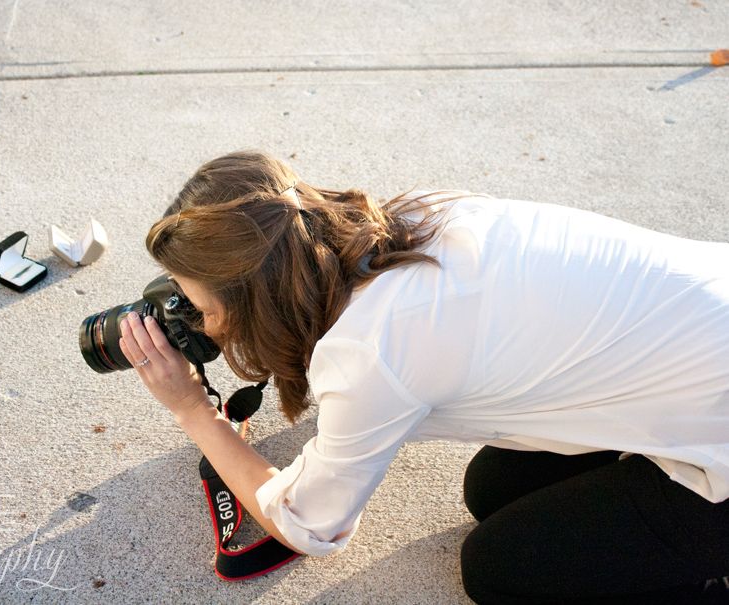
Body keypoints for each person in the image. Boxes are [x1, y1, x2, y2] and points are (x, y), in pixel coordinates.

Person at [118, 151, 729, 603]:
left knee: (503, 569)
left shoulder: (370, 355)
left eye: (202, 308)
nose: (198, 322)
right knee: (493, 489)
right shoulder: (416, 215)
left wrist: (195, 413)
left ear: (259, 300)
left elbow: (308, 522)